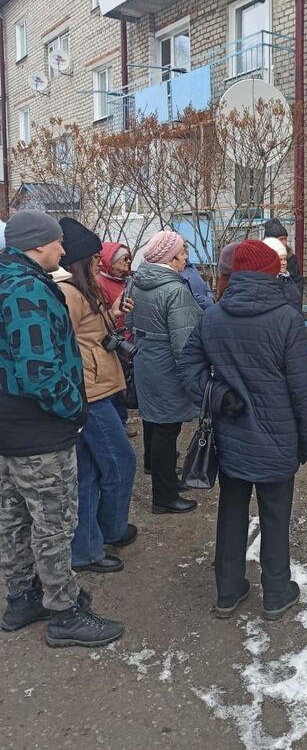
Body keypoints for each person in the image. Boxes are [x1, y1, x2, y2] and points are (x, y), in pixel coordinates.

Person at [177, 240, 307, 621]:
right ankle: (276, 593)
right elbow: (306, 390)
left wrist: (219, 396)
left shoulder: (214, 316)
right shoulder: (286, 319)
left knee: (231, 511)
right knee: (275, 516)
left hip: (231, 438)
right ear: (270, 273)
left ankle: (227, 592)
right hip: (279, 439)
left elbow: (187, 368)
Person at [0, 209, 123, 647]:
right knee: (53, 524)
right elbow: (39, 370)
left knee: (15, 520)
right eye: (57, 241)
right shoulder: (26, 290)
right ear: (38, 244)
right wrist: (73, 408)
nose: (62, 248)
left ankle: (22, 599)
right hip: (39, 432)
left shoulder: (8, 280)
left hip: (12, 429)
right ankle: (65, 613)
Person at [58, 218, 137, 574]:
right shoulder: (68, 294)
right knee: (121, 462)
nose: (97, 262)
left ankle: (88, 547)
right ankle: (110, 531)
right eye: (92, 257)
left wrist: (113, 313)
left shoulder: (83, 290)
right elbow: (64, 344)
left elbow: (90, 336)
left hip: (96, 389)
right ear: (79, 260)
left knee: (87, 473)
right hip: (89, 395)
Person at [129, 231, 203, 514]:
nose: (185, 258)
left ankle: (162, 473)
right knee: (167, 429)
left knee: (153, 421)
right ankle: (164, 496)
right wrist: (195, 374)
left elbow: (130, 320)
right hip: (167, 368)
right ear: (170, 258)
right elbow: (185, 342)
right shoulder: (174, 290)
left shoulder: (137, 282)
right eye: (182, 253)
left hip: (146, 360)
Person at [98, 241, 137, 438]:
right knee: (116, 385)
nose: (128, 262)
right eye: (124, 258)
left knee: (124, 383)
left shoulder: (129, 281)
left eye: (129, 258)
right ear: (109, 261)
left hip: (128, 338)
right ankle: (118, 423)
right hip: (112, 340)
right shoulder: (100, 284)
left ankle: (122, 420)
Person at [263, 236, 302, 311]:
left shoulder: (288, 279)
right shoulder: (267, 281)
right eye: (280, 259)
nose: (284, 263)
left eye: (285, 259)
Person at [263, 218, 302, 289]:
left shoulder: (292, 259)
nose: (284, 243)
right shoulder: (262, 260)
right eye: (281, 239)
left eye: (285, 238)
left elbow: (298, 282)